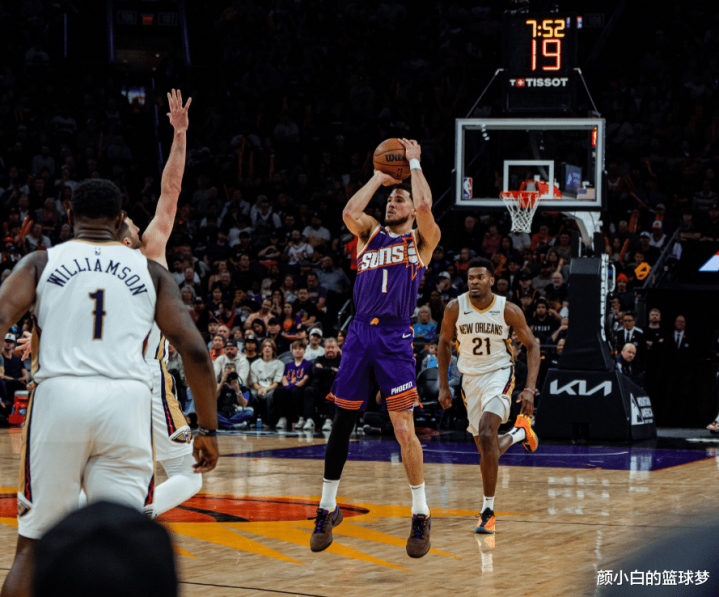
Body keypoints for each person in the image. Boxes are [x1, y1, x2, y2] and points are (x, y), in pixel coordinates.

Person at [0, 177, 219, 597]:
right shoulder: (151, 272)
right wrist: (207, 429)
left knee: (31, 549)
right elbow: (194, 350)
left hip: (59, 401)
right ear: (120, 220)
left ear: (69, 216)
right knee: (125, 547)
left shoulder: (40, 262)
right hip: (127, 405)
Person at [312, 139, 441, 559]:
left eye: (399, 199)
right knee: (342, 423)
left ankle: (420, 513)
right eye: (390, 199)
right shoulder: (369, 234)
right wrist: (377, 177)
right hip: (358, 335)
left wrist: (414, 164)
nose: (392, 202)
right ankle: (326, 508)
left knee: (403, 429)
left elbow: (425, 205)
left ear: (412, 209)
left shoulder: (421, 241)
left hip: (394, 338)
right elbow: (350, 212)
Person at [437, 257, 540, 536]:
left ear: (492, 280)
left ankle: (487, 511)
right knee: (487, 449)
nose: (474, 282)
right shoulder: (455, 307)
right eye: (471, 277)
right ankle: (520, 433)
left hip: (499, 374)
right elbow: (444, 343)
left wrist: (529, 389)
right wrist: (444, 385)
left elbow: (532, 346)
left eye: (480, 277)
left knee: (486, 433)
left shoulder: (508, 309)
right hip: (470, 379)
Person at [302, 337, 342, 432]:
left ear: (337, 348)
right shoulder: (319, 359)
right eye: (328, 347)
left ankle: (330, 420)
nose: (330, 350)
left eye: (332, 347)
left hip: (333, 388)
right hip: (319, 388)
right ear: (324, 349)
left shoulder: (342, 360)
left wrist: (323, 370)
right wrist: (332, 370)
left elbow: (341, 374)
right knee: (308, 390)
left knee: (336, 392)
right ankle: (309, 420)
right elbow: (315, 371)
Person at [273, 340, 313, 430]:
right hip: (289, 387)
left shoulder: (308, 364)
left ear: (304, 351)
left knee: (296, 391)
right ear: (292, 351)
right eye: (295, 349)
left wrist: (293, 386)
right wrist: (287, 386)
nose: (297, 350)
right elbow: (284, 378)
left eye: (300, 348)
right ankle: (282, 418)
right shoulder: (287, 365)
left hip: (301, 387)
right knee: (279, 390)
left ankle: (301, 418)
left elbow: (305, 379)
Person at [249, 338, 284, 425]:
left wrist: (266, 389)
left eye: (269, 346)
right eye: (265, 346)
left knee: (269, 397)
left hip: (271, 388)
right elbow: (254, 383)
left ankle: (268, 422)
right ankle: (252, 421)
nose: (267, 348)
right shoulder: (255, 364)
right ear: (262, 349)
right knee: (252, 394)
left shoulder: (279, 364)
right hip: (258, 388)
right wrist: (260, 389)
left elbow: (276, 383)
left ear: (273, 350)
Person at [216, 363, 254, 429]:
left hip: (236, 414)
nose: (229, 377)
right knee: (211, 414)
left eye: (231, 374)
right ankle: (233, 425)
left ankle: (225, 424)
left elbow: (244, 404)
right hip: (222, 413)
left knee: (249, 412)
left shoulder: (244, 389)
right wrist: (221, 382)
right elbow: (213, 400)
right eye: (227, 374)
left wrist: (237, 390)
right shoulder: (220, 387)